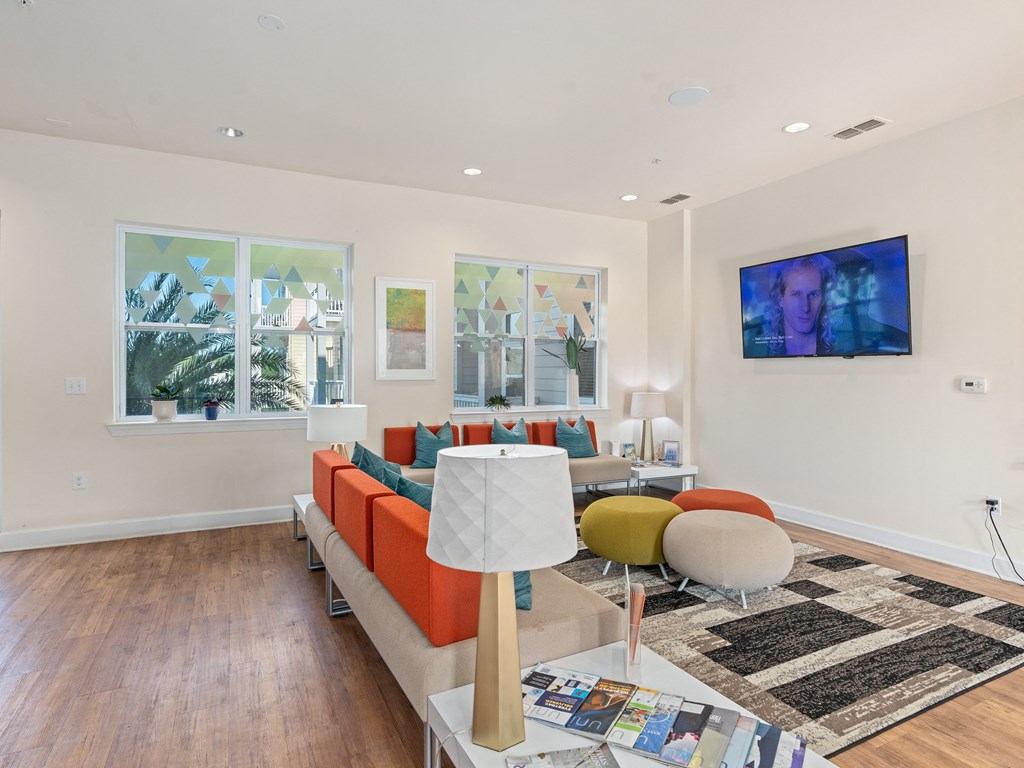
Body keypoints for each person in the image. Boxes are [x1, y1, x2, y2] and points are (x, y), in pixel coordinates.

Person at [750, 255, 836, 357]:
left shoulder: (843, 345)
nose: (805, 307)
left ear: (823, 299)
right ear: (780, 298)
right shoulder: (755, 347)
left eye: (813, 294)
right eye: (796, 294)